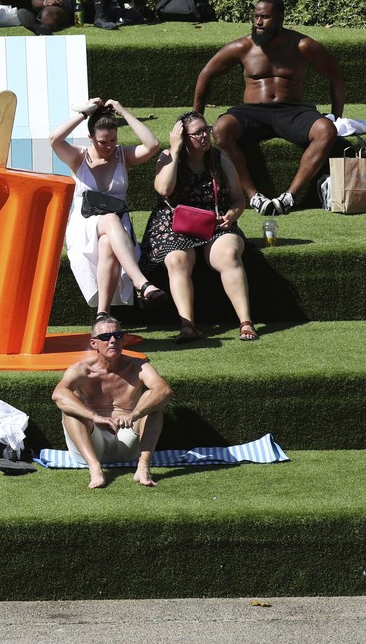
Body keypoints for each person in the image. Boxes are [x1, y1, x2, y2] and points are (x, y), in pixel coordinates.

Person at [194, 0, 346, 216]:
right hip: (252, 112)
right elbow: (206, 73)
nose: (258, 22)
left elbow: (336, 76)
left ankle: (289, 197)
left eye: (264, 17)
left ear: (280, 19)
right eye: (256, 17)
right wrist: (196, 117)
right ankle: (254, 197)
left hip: (292, 110)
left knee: (326, 130)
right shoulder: (243, 46)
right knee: (221, 129)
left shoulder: (302, 45)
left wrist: (337, 118)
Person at [139, 112, 258, 342]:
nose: (205, 136)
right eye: (198, 133)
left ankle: (246, 321)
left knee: (229, 254)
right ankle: (188, 325)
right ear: (183, 137)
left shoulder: (220, 159)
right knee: (177, 260)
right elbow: (163, 190)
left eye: (207, 130)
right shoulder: (167, 157)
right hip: (174, 224)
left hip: (214, 223)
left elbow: (238, 199)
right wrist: (174, 152)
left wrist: (233, 215)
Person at [49, 98, 167, 313]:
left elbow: (152, 144)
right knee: (111, 220)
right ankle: (141, 282)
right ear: (91, 138)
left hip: (116, 228)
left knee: (107, 243)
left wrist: (123, 111)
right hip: (84, 224)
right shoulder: (78, 157)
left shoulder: (123, 155)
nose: (110, 146)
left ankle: (103, 314)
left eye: (113, 139)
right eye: (103, 141)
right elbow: (55, 139)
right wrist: (84, 114)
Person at [51, 315, 172, 489]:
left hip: (128, 439)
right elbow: (58, 395)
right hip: (93, 442)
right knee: (71, 405)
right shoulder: (82, 369)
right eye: (106, 337)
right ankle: (95, 468)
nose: (113, 341)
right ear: (94, 343)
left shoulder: (139, 366)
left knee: (152, 400)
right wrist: (95, 417)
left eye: (118, 335)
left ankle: (143, 466)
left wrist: (134, 414)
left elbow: (165, 391)